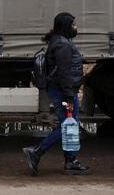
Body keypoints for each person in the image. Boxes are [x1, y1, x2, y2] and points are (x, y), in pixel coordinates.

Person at [22, 12, 89, 176]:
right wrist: (68, 97)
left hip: (62, 90)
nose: (76, 27)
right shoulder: (62, 45)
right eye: (73, 25)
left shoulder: (60, 42)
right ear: (66, 26)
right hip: (63, 91)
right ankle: (37, 151)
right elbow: (64, 74)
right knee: (68, 125)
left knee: (69, 126)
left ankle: (70, 161)